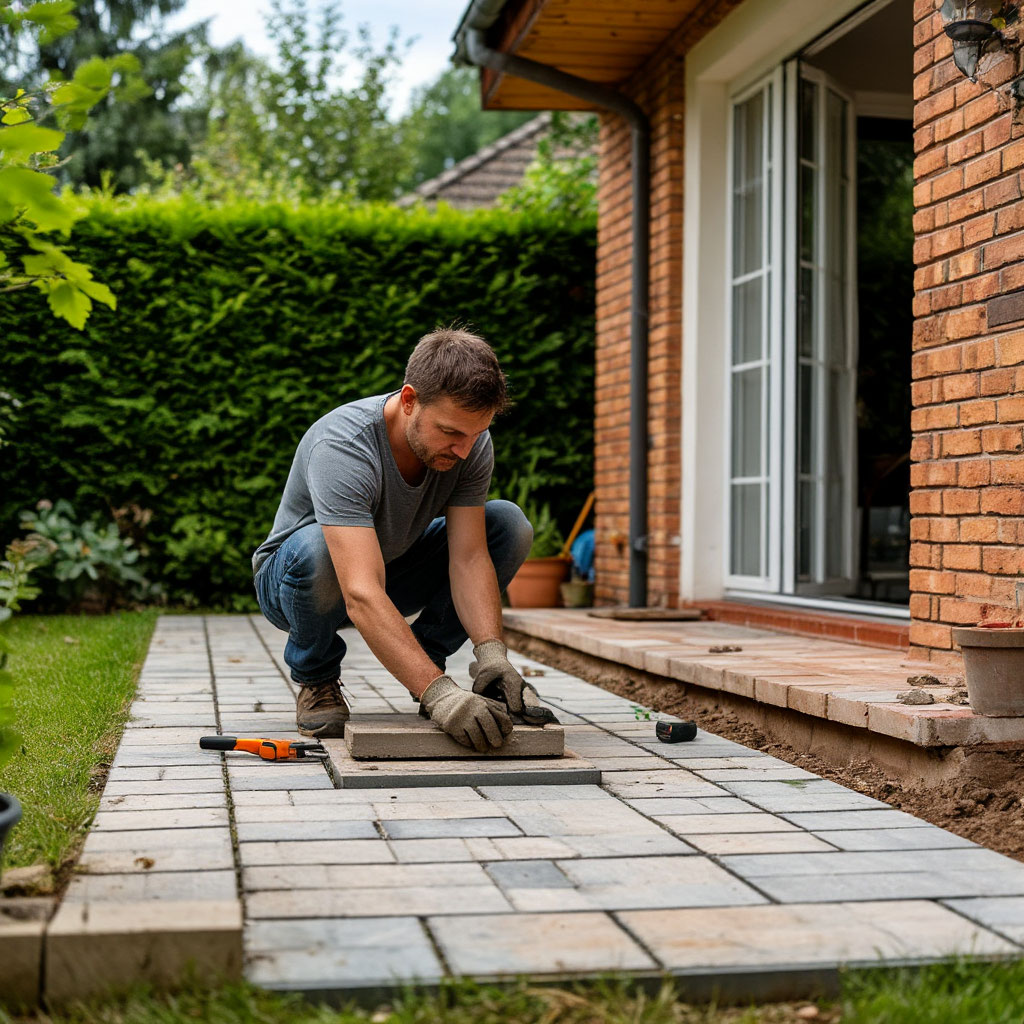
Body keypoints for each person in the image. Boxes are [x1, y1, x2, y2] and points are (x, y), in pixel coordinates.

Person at [251, 328, 552, 750]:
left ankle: (427, 664)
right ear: (409, 400)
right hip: (298, 582)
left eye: (475, 433)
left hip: (393, 565)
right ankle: (316, 677)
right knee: (318, 548)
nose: (465, 449)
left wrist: (491, 656)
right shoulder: (343, 445)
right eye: (451, 432)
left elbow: (468, 558)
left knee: (508, 523)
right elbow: (360, 590)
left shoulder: (469, 442)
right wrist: (442, 696)